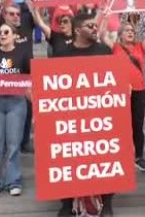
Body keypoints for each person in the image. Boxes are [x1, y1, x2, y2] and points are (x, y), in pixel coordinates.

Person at [53, 12, 114, 216]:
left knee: (104, 159)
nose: (95, 29)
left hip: (100, 116)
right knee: (69, 160)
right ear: (77, 30)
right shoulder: (62, 54)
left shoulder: (105, 50)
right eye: (90, 26)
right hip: (72, 118)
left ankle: (106, 201)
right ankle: (66, 202)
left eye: (95, 26)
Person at [100, 12, 145, 172]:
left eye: (132, 31)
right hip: (120, 93)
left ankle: (139, 157)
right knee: (121, 126)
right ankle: (122, 156)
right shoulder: (115, 47)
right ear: (120, 35)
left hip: (139, 92)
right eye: (127, 30)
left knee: (137, 126)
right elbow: (102, 35)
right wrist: (105, 17)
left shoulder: (141, 47)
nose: (130, 32)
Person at [0, 23, 32, 198]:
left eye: (6, 32)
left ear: (14, 35)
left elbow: (31, 78)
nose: (2, 34)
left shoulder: (23, 53)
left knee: (14, 144)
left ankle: (13, 181)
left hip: (17, 102)